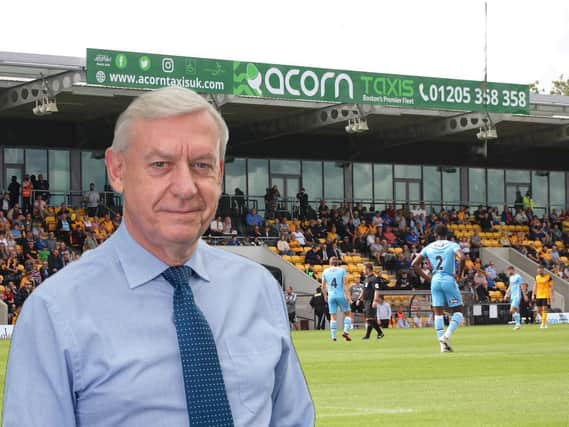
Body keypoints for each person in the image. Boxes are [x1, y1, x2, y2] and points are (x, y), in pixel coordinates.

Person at [3, 87, 314, 426]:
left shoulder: (257, 289)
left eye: (201, 165)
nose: (185, 187)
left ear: (219, 173)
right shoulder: (55, 311)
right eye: (160, 164)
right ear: (117, 170)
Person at [412, 224, 466, 353]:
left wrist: (427, 278)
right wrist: (459, 275)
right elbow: (462, 258)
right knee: (458, 310)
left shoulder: (429, 247)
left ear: (435, 235)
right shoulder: (452, 245)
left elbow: (414, 264)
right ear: (447, 234)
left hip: (435, 280)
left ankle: (442, 346)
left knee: (438, 313)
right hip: (448, 278)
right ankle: (446, 336)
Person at [321, 256, 353, 342]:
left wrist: (325, 296)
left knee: (333, 316)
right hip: (341, 295)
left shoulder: (325, 271)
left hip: (331, 296)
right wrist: (349, 297)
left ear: (329, 263)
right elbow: (345, 284)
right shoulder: (342, 270)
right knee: (348, 313)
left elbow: (323, 286)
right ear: (337, 263)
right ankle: (346, 332)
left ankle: (333, 337)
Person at [358, 263, 385, 340]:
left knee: (370, 319)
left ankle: (380, 332)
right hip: (365, 301)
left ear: (368, 269)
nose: (363, 270)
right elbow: (364, 290)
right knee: (369, 319)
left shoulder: (374, 279)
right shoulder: (366, 279)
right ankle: (367, 335)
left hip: (370, 300)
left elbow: (376, 290)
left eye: (364, 269)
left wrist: (375, 301)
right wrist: (359, 299)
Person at [504, 266, 525, 331]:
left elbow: (522, 285)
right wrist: (506, 294)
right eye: (508, 271)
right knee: (516, 310)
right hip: (512, 296)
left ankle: (518, 324)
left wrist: (524, 295)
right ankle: (518, 324)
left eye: (509, 270)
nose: (509, 272)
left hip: (517, 295)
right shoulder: (511, 277)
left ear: (513, 270)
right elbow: (510, 286)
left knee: (512, 310)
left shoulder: (518, 276)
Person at [533, 265, 554, 329]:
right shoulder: (536, 277)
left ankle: (543, 323)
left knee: (544, 309)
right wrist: (533, 294)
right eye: (538, 270)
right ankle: (544, 321)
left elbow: (551, 286)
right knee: (538, 310)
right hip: (538, 295)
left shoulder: (548, 277)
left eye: (541, 270)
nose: (539, 271)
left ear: (543, 270)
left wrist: (552, 295)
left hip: (546, 295)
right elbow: (535, 285)